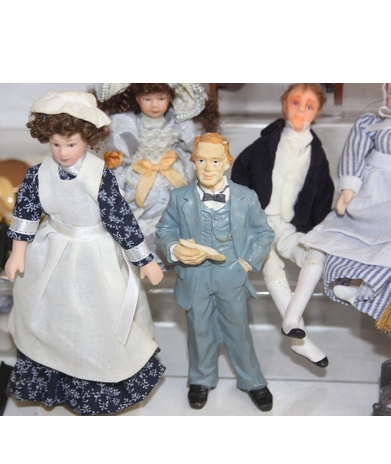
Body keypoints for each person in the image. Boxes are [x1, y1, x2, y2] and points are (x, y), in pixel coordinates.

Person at [5, 90, 165, 416]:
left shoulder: (100, 176)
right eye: (56, 144)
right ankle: (53, 375)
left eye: (71, 144)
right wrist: (17, 252)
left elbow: (121, 219)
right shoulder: (38, 174)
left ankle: (99, 378)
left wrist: (144, 260)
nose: (63, 152)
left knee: (97, 317)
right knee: (48, 314)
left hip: (95, 254)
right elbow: (26, 213)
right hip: (50, 250)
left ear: (88, 140)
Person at [155, 132, 274, 411]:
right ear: (193, 162)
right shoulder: (180, 197)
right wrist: (174, 248)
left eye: (215, 161)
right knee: (199, 329)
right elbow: (164, 229)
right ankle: (201, 378)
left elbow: (264, 234)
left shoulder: (246, 197)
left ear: (227, 163)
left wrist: (245, 264)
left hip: (231, 275)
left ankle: (252, 380)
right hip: (194, 277)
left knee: (238, 329)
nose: (208, 168)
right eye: (201, 160)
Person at [231, 83, 334, 367]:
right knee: (272, 266)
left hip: (291, 225)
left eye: (309, 106)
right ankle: (299, 340)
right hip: (260, 221)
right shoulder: (265, 144)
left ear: (317, 112)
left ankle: (291, 320)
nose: (301, 110)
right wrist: (242, 214)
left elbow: (323, 194)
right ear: (284, 103)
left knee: (316, 254)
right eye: (295, 102)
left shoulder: (317, 154)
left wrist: (317, 227)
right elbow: (239, 174)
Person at [94, 83, 219, 267]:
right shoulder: (128, 122)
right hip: (139, 176)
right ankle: (145, 258)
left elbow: (192, 148)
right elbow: (121, 154)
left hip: (171, 177)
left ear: (170, 98)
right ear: (137, 98)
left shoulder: (178, 121)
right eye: (147, 99)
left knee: (174, 214)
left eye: (161, 98)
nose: (155, 105)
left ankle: (171, 258)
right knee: (138, 216)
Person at [301, 83, 391, 331]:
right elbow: (355, 151)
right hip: (374, 192)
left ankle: (368, 291)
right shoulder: (371, 124)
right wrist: (349, 187)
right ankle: (353, 284)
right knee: (355, 238)